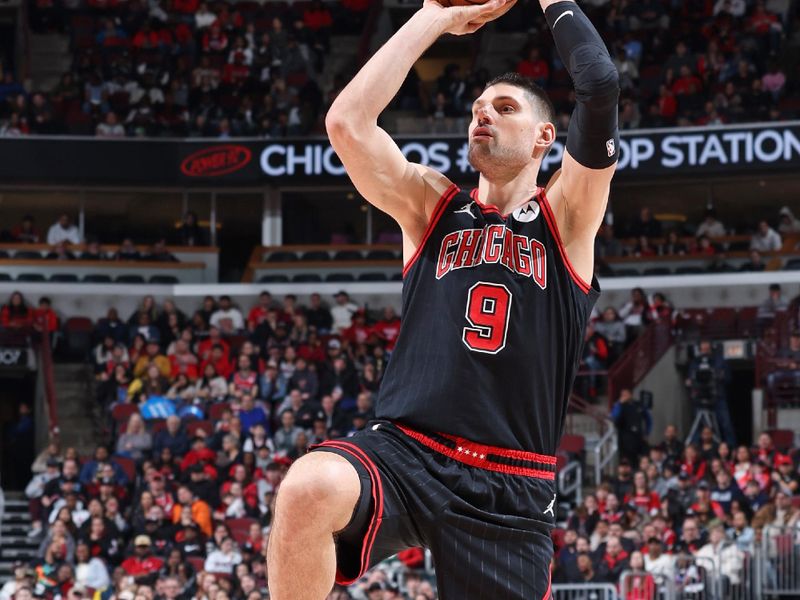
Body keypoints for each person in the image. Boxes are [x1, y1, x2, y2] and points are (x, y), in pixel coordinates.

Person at [267, 0, 620, 597]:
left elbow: (600, 83)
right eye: (477, 109)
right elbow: (347, 124)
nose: (482, 116)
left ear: (544, 138)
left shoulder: (567, 215)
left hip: (509, 478)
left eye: (503, 108)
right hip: (407, 451)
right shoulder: (432, 205)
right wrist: (433, 16)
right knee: (309, 486)